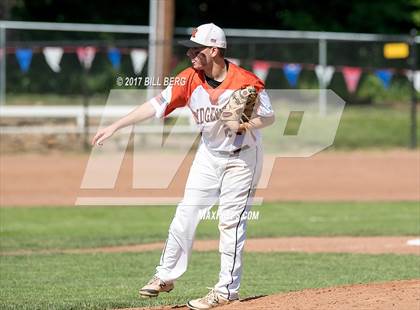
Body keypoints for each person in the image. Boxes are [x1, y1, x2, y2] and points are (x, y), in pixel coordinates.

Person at [92, 23, 274, 310]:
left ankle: (226, 291)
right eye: (190, 49)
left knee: (230, 222)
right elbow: (155, 105)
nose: (190, 54)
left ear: (214, 51)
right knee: (185, 212)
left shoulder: (245, 81)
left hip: (243, 157)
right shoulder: (188, 78)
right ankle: (165, 276)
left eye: (196, 49)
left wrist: (243, 122)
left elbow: (269, 117)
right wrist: (116, 125)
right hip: (209, 153)